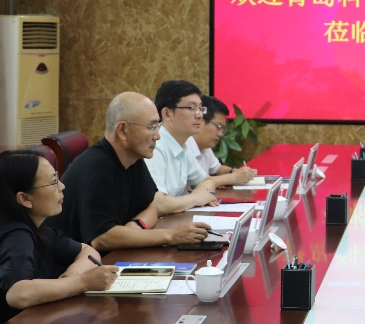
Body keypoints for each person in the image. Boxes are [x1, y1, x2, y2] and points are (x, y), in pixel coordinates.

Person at [0, 150, 119, 324]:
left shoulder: (33, 226)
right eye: (53, 182)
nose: (62, 186)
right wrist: (82, 282)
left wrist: (72, 275)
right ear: (25, 198)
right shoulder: (14, 236)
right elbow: (19, 294)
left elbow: (87, 251)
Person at [46, 91, 212, 253]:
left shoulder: (133, 158)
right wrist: (171, 236)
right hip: (69, 264)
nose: (158, 136)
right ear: (123, 130)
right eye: (151, 127)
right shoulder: (97, 167)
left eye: (157, 127)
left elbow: (151, 206)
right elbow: (102, 238)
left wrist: (135, 227)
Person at [145, 80, 219, 213]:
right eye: (192, 108)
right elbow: (158, 204)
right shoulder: (155, 146)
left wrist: (199, 194)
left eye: (201, 108)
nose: (200, 115)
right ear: (167, 114)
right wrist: (196, 198)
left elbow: (207, 181)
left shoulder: (181, 144)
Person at [192, 95, 257, 187]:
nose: (220, 134)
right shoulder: (185, 144)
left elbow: (217, 169)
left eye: (222, 129)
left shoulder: (204, 145)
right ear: (200, 120)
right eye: (218, 127)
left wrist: (234, 171)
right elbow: (196, 184)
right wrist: (234, 177)